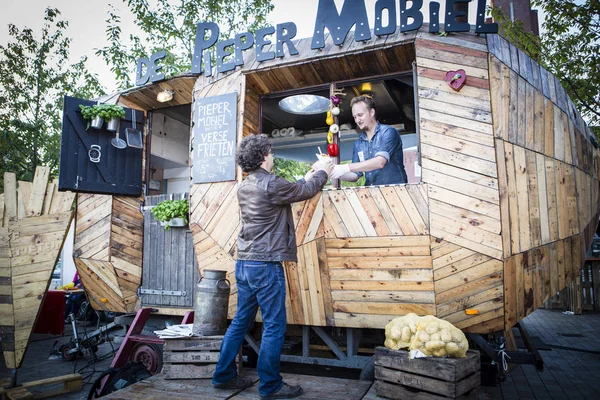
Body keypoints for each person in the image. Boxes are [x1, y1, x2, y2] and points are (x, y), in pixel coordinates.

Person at [212, 134, 333, 399]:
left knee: (240, 322)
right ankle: (270, 386)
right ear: (264, 155)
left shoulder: (246, 185)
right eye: (271, 151)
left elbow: (291, 188)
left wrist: (310, 174)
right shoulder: (271, 184)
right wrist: (323, 171)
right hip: (265, 266)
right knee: (275, 326)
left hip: (244, 263)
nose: (273, 155)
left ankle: (222, 376)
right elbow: (304, 191)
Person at [330, 95, 408, 185]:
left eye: (360, 115)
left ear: (371, 112)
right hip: (371, 194)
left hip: (397, 193)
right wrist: (334, 172)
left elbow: (380, 162)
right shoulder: (358, 143)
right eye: (354, 117)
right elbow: (355, 175)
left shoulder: (388, 132)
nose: (357, 120)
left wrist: (345, 167)